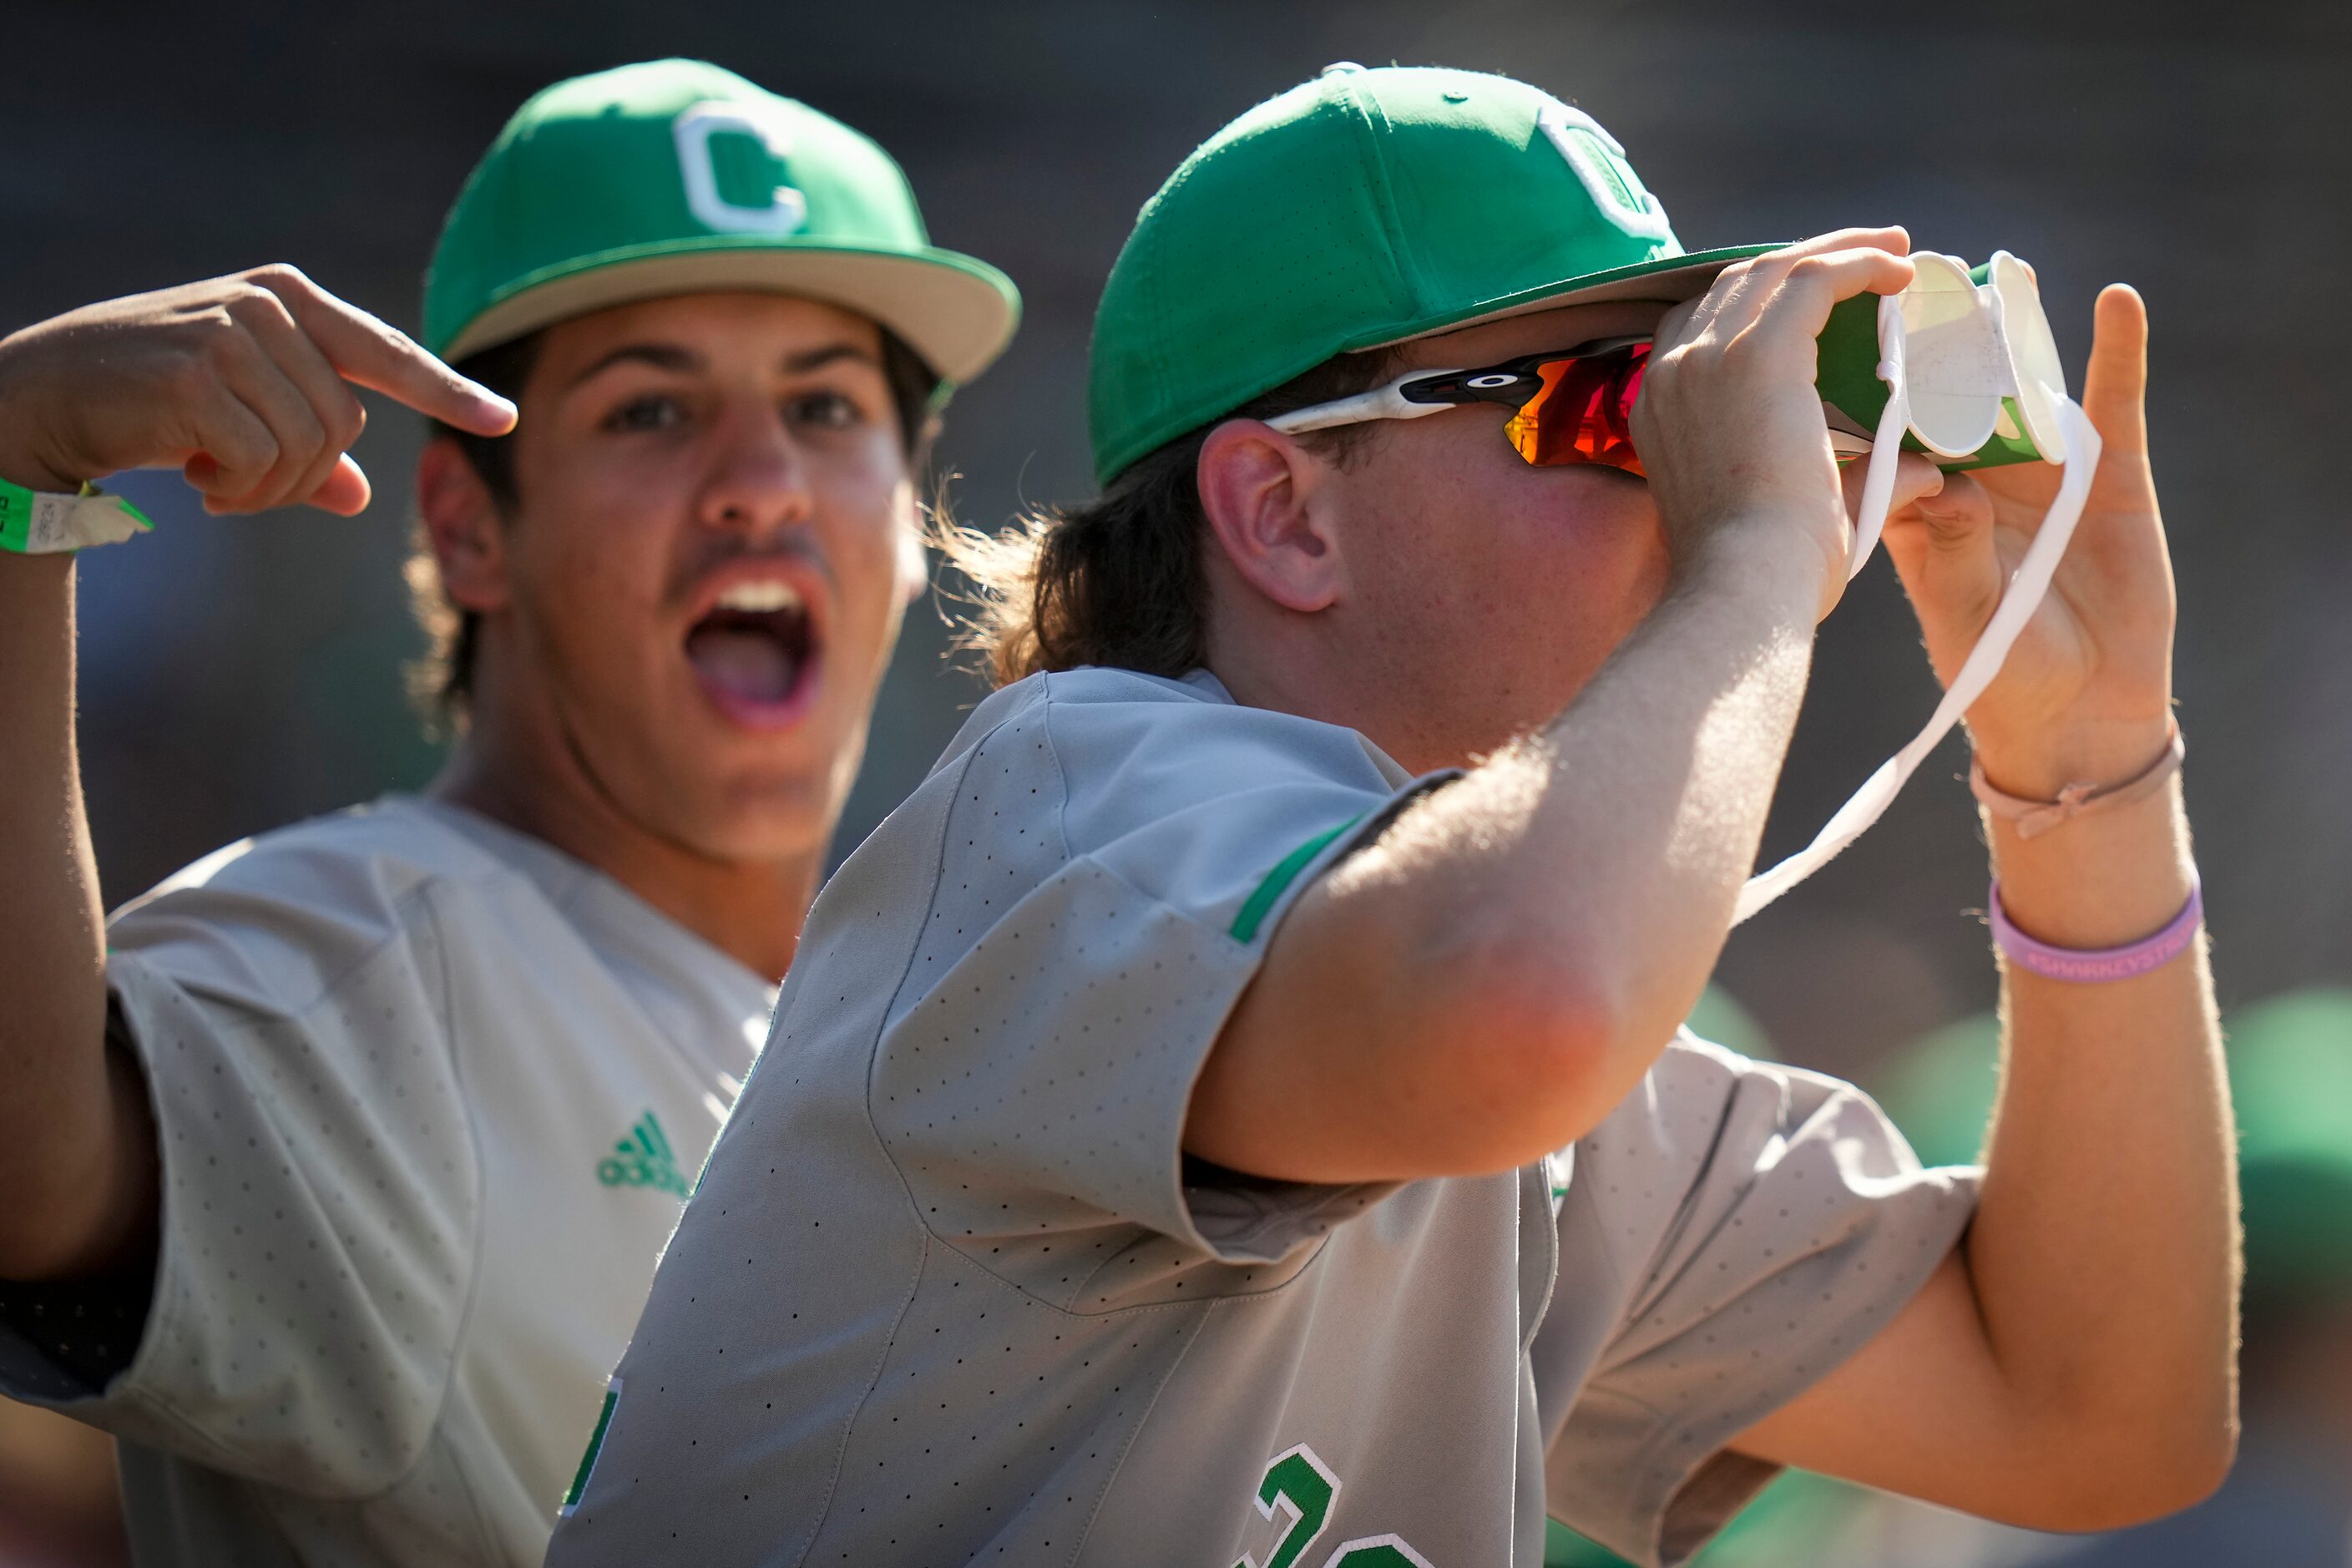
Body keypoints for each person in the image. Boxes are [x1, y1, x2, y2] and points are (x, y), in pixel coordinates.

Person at [544, 64, 2234, 1567]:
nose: (1698, 484)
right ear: (1282, 514)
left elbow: (2094, 1417)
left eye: (1690, 416)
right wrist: (1758, 558)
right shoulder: (1067, 804)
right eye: (1607, 414)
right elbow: (1515, 1003)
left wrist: (2084, 760)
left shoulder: (1519, 1029)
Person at [0, 58, 1016, 1566]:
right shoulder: (364, 963)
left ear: (906, 523)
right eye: (653, 409)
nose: (758, 482)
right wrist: (14, 466)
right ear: (470, 529)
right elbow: (25, 1173)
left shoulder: (945, 1036)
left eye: (824, 403)